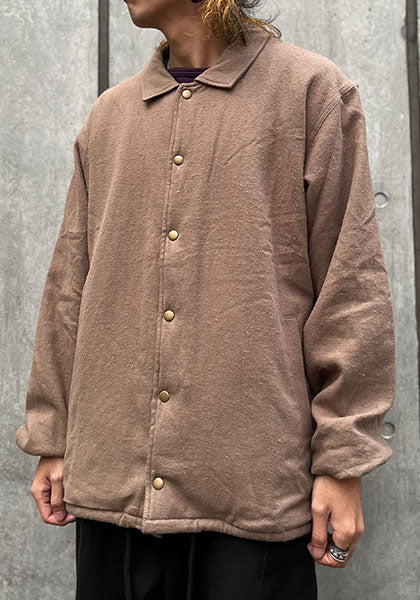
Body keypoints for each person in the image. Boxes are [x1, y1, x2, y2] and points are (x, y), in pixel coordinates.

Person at [15, 0, 397, 598]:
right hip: (113, 483)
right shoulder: (110, 117)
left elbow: (351, 288)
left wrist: (342, 461)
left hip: (251, 488)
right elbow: (70, 287)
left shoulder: (310, 94)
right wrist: (53, 435)